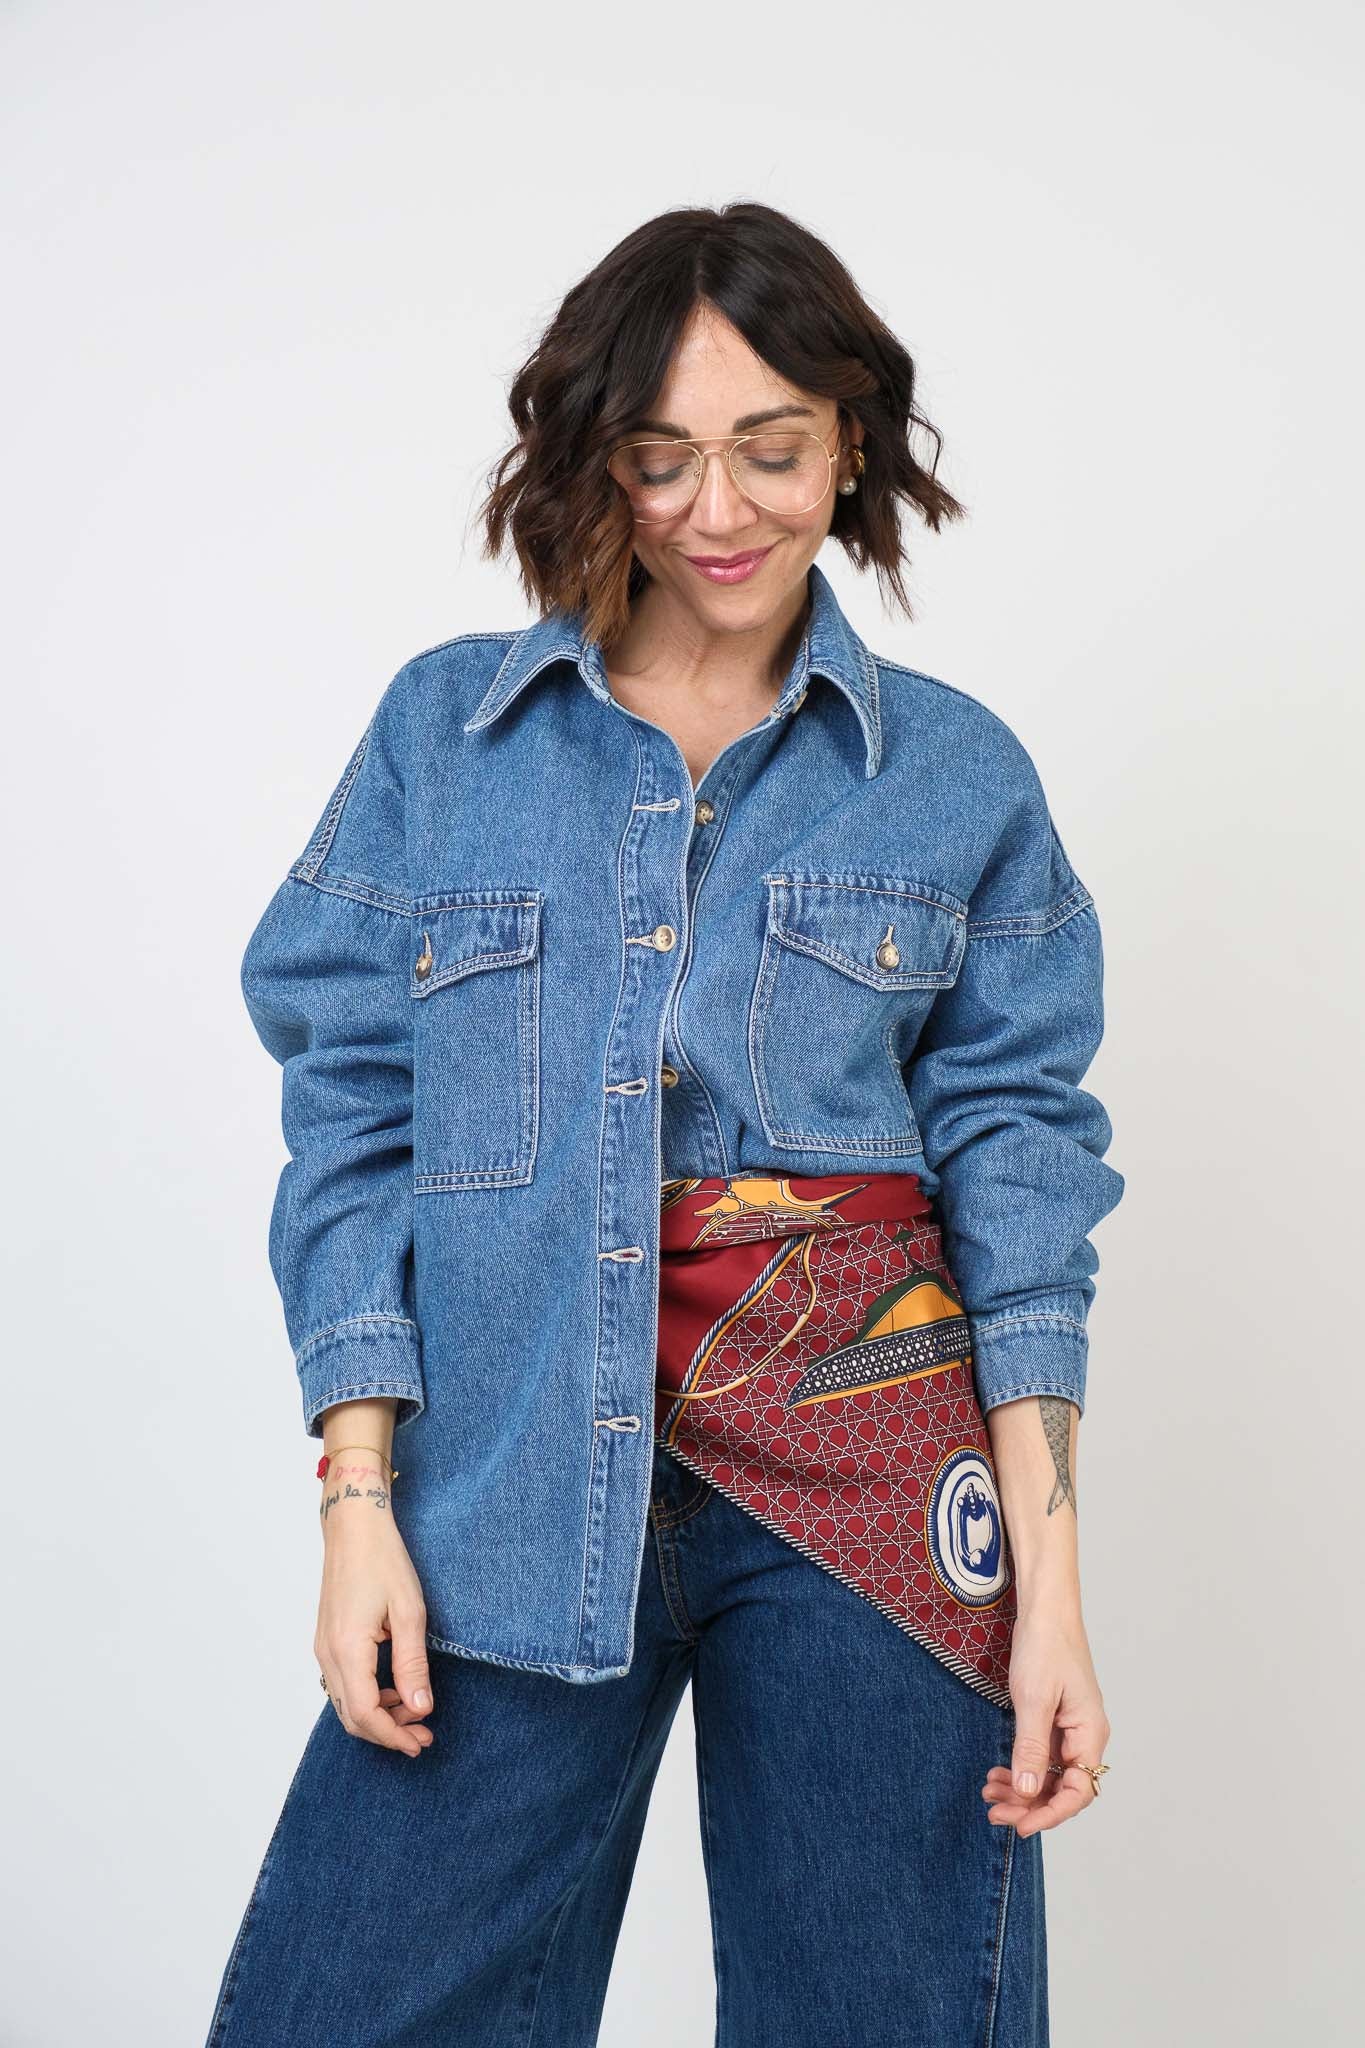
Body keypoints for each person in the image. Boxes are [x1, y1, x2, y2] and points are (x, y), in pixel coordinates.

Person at [205, 200, 1124, 2048]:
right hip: (514, 1470)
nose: (719, 509)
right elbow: (354, 1118)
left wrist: (1052, 1594)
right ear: (593, 462)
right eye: (660, 456)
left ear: (848, 443)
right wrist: (359, 1500)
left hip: (876, 1484)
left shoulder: (954, 773)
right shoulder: (446, 739)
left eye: (770, 449)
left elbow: (1019, 1179)